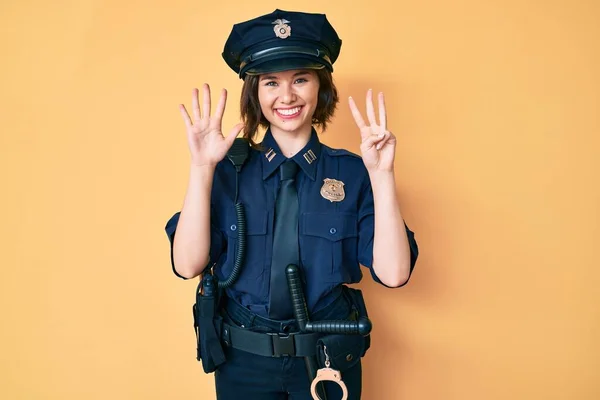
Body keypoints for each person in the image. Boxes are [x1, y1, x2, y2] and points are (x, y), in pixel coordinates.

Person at [164, 9, 419, 400]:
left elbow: (395, 273)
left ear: (321, 87)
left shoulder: (353, 172)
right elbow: (187, 265)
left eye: (300, 78)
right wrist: (201, 168)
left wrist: (382, 175)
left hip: (327, 359)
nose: (287, 96)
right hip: (243, 361)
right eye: (271, 83)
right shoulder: (227, 169)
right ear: (256, 93)